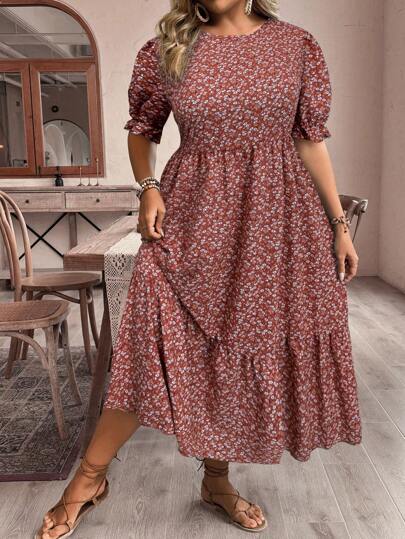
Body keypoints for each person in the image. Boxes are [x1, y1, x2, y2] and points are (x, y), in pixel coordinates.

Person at [35, 1, 363, 537]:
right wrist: (148, 187)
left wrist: (338, 224)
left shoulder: (296, 46)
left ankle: (216, 482)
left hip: (274, 223)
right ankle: (89, 478)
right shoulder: (169, 48)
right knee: (149, 346)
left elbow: (309, 141)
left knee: (232, 348)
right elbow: (142, 130)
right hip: (191, 216)